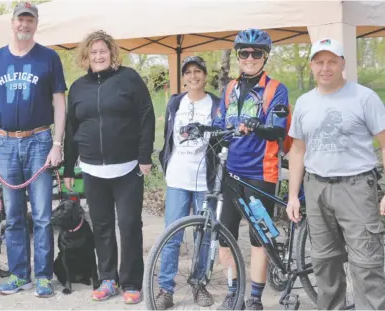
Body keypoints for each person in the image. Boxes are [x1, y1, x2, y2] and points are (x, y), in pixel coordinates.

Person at [286, 38, 385, 310]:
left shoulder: (364, 97)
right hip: (316, 189)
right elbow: (297, 150)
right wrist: (293, 196)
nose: (325, 67)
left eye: (332, 61)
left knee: (367, 263)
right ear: (311, 66)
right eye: (319, 61)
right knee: (324, 262)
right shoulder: (305, 102)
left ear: (343, 63)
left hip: (356, 188)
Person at [0, 1, 67, 298]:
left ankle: (43, 276)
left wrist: (57, 144)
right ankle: (19, 275)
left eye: (30, 20)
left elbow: (59, 102)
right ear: (12, 23)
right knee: (14, 215)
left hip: (39, 140)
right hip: (4, 143)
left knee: (42, 215)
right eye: (20, 20)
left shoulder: (49, 58)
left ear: (36, 24)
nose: (24, 25)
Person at [63, 30, 155, 305]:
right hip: (92, 171)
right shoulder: (78, 87)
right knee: (102, 227)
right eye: (93, 53)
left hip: (127, 169)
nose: (98, 56)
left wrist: (145, 155)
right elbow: (71, 129)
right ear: (86, 57)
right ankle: (108, 279)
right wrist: (69, 168)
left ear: (112, 53)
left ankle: (131, 282)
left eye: (103, 51)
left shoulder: (129, 79)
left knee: (129, 226)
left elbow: (146, 115)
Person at [212, 28, 290, 310]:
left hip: (261, 173)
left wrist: (259, 126)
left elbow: (277, 131)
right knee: (225, 235)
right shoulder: (231, 88)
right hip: (231, 172)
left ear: (265, 56)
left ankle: (255, 298)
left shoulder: (275, 89)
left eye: (256, 53)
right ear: (237, 56)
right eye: (244, 52)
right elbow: (221, 125)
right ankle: (234, 294)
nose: (250, 57)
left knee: (258, 239)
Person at [155, 56, 221, 309]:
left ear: (205, 75)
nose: (193, 76)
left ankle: (199, 284)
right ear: (183, 77)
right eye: (189, 72)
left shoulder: (215, 104)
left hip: (205, 180)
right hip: (177, 178)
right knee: (172, 236)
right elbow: (168, 138)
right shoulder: (175, 103)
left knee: (203, 236)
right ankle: (165, 289)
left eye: (198, 72)